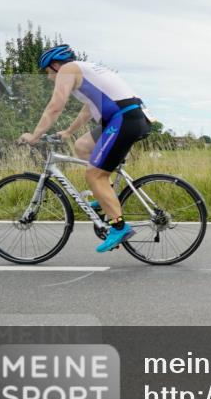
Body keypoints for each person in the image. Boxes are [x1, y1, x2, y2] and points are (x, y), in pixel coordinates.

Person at [19, 45, 152, 252]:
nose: (48, 77)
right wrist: (69, 132)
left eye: (47, 71)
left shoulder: (67, 69)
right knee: (82, 146)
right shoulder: (85, 69)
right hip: (130, 117)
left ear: (55, 65)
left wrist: (34, 135)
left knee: (94, 176)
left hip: (122, 120)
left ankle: (119, 227)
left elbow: (56, 105)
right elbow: (89, 109)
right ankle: (104, 197)